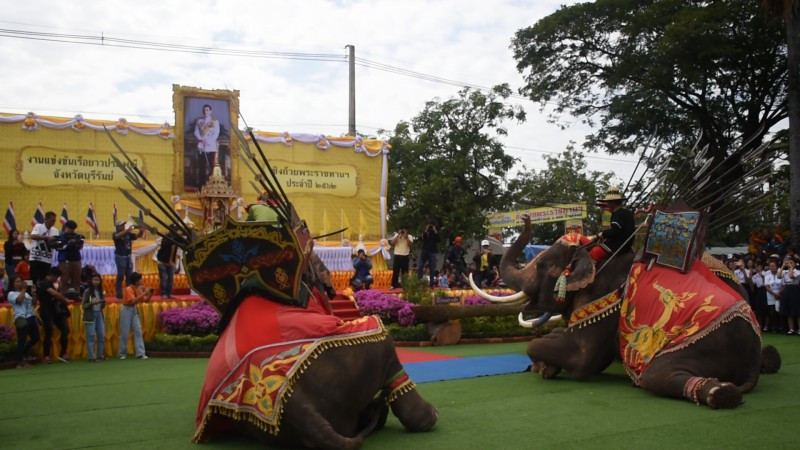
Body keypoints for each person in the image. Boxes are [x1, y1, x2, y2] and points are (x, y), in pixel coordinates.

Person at [589, 187, 636, 262]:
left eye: (608, 202)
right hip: (627, 246)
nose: (607, 204)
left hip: (616, 246)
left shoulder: (618, 213)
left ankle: (589, 273)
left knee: (594, 252)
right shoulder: (627, 212)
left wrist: (600, 235)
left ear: (613, 202)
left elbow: (615, 230)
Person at [37, 267, 71, 363]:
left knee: (65, 329)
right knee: (49, 332)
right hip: (46, 311)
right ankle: (46, 355)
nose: (57, 279)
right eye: (57, 277)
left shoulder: (51, 284)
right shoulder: (44, 283)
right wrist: (65, 300)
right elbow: (54, 294)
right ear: (53, 275)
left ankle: (63, 353)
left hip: (55, 311)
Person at [8, 276, 40, 368]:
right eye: (17, 281)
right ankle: (20, 361)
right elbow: (19, 300)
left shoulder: (26, 294)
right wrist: (24, 289)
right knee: (22, 340)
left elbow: (34, 303)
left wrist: (33, 293)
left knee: (36, 337)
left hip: (31, 317)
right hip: (21, 318)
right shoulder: (11, 293)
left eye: (20, 281)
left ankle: (24, 353)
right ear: (13, 284)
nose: (20, 283)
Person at [119, 272, 151, 360]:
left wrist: (150, 294)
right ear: (136, 281)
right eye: (140, 279)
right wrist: (144, 293)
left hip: (133, 309)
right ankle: (122, 353)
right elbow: (132, 301)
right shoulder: (129, 289)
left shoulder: (138, 289)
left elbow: (146, 301)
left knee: (138, 330)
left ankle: (140, 353)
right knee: (125, 332)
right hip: (126, 309)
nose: (141, 280)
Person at [113, 220, 142, 299]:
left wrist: (141, 231)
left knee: (129, 276)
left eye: (124, 225)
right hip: (120, 257)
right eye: (122, 225)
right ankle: (119, 294)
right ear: (118, 227)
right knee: (121, 276)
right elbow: (117, 237)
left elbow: (137, 236)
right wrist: (127, 230)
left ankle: (130, 293)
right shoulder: (115, 234)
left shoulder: (128, 234)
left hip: (128, 256)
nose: (123, 226)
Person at [29, 211, 60, 284]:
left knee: (44, 280)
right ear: (45, 219)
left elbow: (57, 243)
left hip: (47, 259)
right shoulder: (38, 226)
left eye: (54, 220)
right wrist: (46, 238)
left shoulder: (55, 230)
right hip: (35, 257)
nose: (53, 222)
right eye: (51, 220)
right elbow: (33, 236)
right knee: (33, 279)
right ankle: (31, 293)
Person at [82, 273, 106, 362]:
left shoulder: (100, 291)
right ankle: (91, 357)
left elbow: (102, 306)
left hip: (99, 313)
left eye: (98, 280)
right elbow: (84, 305)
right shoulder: (87, 291)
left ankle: (100, 355)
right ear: (91, 281)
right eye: (94, 280)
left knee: (101, 335)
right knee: (91, 336)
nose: (96, 282)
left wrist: (103, 302)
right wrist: (92, 303)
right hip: (90, 315)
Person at [56, 220, 84, 294]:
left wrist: (75, 243)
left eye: (73, 229)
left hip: (76, 259)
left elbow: (80, 247)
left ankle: (76, 294)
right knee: (64, 278)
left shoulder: (77, 236)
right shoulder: (60, 236)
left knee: (76, 279)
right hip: (64, 260)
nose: (72, 231)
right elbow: (59, 247)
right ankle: (62, 294)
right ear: (66, 227)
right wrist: (70, 244)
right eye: (70, 228)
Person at [194, 104, 220, 181]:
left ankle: (210, 183)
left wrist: (208, 141)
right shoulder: (199, 121)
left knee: (210, 166)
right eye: (204, 110)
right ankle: (202, 183)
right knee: (201, 166)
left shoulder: (215, 122)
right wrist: (201, 139)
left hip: (210, 147)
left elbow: (216, 134)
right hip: (201, 146)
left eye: (207, 110)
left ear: (210, 111)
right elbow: (196, 132)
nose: (205, 112)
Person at [156, 225, 182, 299]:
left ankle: (169, 293)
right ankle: (163, 293)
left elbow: (183, 242)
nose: (176, 231)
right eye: (175, 230)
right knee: (163, 278)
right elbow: (165, 245)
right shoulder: (166, 237)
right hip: (162, 261)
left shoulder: (177, 238)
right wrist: (175, 238)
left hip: (171, 261)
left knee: (171, 279)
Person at [778, 258, 799, 335]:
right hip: (787, 290)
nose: (789, 264)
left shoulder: (798, 272)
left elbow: (791, 277)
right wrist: (783, 266)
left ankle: (799, 329)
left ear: (794, 264)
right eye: (788, 262)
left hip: (795, 289)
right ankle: (791, 329)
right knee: (788, 310)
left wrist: (792, 268)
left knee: (796, 310)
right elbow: (778, 276)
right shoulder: (784, 272)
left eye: (791, 262)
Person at [417, 222, 439, 287]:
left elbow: (439, 239)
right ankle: (419, 282)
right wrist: (426, 230)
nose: (430, 227)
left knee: (432, 268)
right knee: (420, 266)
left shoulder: (435, 233)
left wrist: (435, 230)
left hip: (432, 251)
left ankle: (431, 284)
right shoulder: (426, 232)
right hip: (424, 251)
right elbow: (421, 238)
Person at [764, 260, 783, 333]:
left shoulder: (781, 274)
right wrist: (774, 294)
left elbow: (784, 285)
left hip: (780, 295)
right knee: (772, 312)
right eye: (770, 266)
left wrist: (779, 293)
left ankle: (782, 327)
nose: (772, 267)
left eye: (773, 266)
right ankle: (774, 327)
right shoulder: (767, 276)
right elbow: (767, 286)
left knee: (780, 311)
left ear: (777, 266)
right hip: (771, 296)